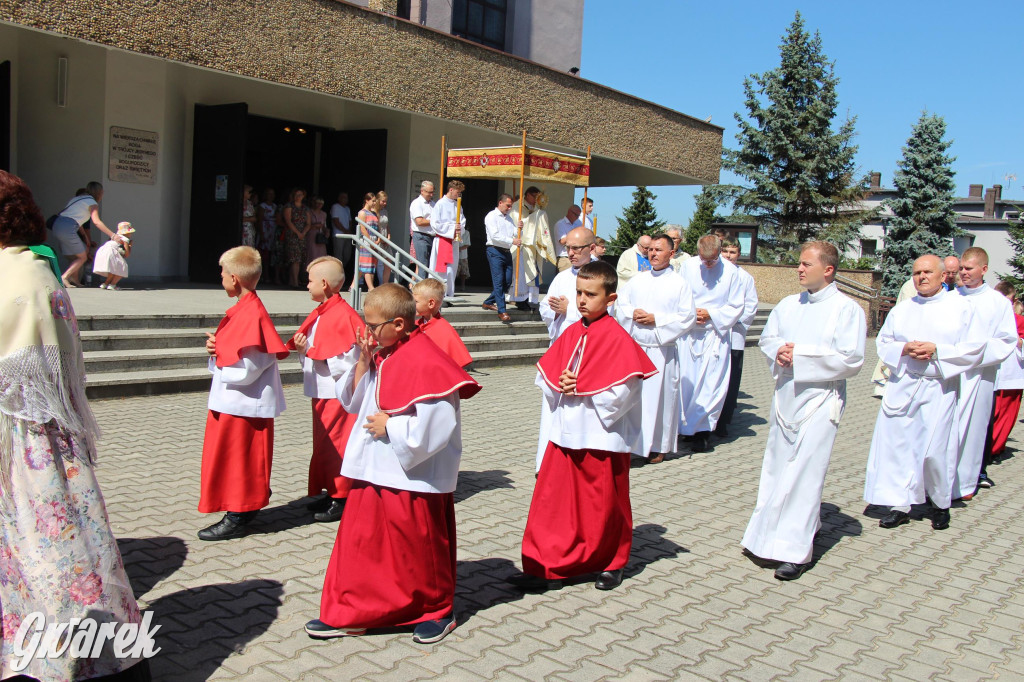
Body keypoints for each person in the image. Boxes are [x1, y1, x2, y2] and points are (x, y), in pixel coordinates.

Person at [0, 170, 151, 681]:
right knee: (73, 541)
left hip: (23, 437)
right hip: (46, 434)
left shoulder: (12, 276)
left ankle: (65, 660)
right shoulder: (34, 268)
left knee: (48, 549)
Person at [306, 284, 480, 644]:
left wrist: (393, 426)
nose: (366, 333)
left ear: (399, 324)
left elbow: (439, 425)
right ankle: (356, 609)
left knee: (417, 548)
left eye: (372, 326)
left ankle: (435, 610)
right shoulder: (382, 351)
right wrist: (363, 361)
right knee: (363, 545)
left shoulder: (428, 359)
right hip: (373, 467)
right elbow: (355, 402)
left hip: (413, 473)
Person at [509, 261, 657, 592]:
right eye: (578, 292)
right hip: (565, 433)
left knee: (604, 505)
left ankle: (609, 563)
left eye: (590, 294)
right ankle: (543, 563)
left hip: (602, 435)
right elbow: (547, 378)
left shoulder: (619, 339)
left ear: (611, 298)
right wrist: (559, 383)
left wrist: (584, 385)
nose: (581, 300)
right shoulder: (572, 332)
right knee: (553, 503)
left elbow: (626, 391)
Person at [741, 242, 866, 581]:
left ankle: (795, 551)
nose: (798, 268)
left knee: (805, 475)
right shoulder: (787, 304)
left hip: (821, 401)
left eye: (805, 264)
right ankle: (763, 538)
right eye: (798, 263)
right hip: (786, 397)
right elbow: (768, 338)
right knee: (776, 469)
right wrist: (779, 350)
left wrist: (802, 355)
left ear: (827, 269)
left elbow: (852, 358)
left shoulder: (847, 309)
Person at [864, 255, 985, 532]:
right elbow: (884, 341)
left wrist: (938, 350)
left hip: (938, 386)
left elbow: (975, 347)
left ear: (943, 276)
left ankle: (940, 504)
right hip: (903, 383)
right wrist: (904, 349)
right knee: (900, 447)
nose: (921, 277)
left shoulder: (961, 307)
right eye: (917, 272)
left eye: (928, 272)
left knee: (934, 450)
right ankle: (900, 504)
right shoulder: (903, 308)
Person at [198, 246, 289, 540]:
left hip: (245, 404)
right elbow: (235, 352)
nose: (220, 277)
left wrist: (220, 356)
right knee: (234, 459)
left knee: (241, 461)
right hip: (236, 402)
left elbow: (251, 365)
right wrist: (217, 349)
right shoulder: (245, 308)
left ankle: (239, 513)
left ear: (235, 278)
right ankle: (242, 507)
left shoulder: (252, 313)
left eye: (222, 272)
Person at [288, 256, 365, 523]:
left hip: (336, 392)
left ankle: (342, 496)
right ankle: (331, 490)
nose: (306, 286)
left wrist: (309, 350)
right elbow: (316, 348)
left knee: (337, 445)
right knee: (323, 445)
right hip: (321, 389)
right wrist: (305, 350)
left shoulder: (343, 314)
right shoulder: (324, 310)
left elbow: (347, 358)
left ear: (324, 283)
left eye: (309, 281)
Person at [615, 233, 696, 464]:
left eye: (658, 250)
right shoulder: (638, 280)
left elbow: (687, 317)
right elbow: (622, 304)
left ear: (671, 253)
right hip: (637, 346)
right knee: (635, 399)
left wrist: (656, 319)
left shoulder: (679, 283)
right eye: (650, 249)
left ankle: (658, 446)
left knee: (659, 401)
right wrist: (633, 314)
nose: (653, 253)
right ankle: (631, 442)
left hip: (662, 350)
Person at [954, 247, 1017, 497]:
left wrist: (974, 354)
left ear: (984, 269)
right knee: (949, 428)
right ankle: (938, 482)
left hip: (980, 375)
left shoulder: (998, 302)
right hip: (952, 372)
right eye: (961, 268)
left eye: (968, 268)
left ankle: (965, 483)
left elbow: (1007, 340)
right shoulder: (951, 297)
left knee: (973, 429)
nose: (963, 273)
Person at [532, 227, 596, 471]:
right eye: (567, 248)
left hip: (584, 355)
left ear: (591, 248)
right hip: (560, 351)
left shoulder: (601, 276)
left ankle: (571, 465)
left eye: (576, 248)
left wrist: (569, 310)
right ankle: (546, 463)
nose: (570, 253)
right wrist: (555, 310)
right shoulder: (562, 277)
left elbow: (605, 315)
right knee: (551, 408)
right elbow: (545, 308)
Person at [677, 234, 745, 452]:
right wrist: (689, 313)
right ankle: (685, 428)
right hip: (689, 333)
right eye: (703, 260)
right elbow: (678, 295)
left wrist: (711, 314)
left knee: (710, 384)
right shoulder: (687, 267)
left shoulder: (732, 273)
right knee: (687, 383)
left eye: (712, 260)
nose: (707, 265)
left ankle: (703, 432)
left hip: (714, 334)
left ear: (719, 252)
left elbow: (736, 306)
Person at [717, 235, 759, 435]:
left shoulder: (745, 278)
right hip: (713, 336)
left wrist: (729, 319)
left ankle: (724, 421)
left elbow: (750, 307)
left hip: (734, 336)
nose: (728, 255)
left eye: (732, 252)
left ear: (738, 255)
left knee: (730, 381)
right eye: (725, 251)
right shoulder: (713, 273)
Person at [52, 181, 123, 288]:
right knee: (82, 257)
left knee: (77, 255)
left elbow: (77, 221)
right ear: (100, 193)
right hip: (68, 227)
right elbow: (97, 222)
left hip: (57, 225)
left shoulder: (77, 199)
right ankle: (64, 277)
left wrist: (85, 238)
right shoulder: (92, 203)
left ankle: (74, 280)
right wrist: (113, 235)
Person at [986, 282, 1024, 469]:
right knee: (995, 413)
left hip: (1010, 375)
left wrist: (1019, 342)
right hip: (995, 372)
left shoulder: (1018, 320)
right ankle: (989, 448)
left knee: (1003, 415)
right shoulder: (992, 317)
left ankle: (994, 448)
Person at [509, 186, 556, 310]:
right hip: (521, 245)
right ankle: (520, 300)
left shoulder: (536, 208)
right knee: (522, 274)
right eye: (534, 196)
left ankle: (530, 299)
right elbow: (516, 223)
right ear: (527, 195)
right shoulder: (516, 207)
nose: (536, 199)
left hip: (533, 245)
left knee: (533, 272)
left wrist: (537, 213)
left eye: (538, 197)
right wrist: (534, 216)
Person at [412, 277, 472, 368]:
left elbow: (454, 366)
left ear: (431, 303)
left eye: (416, 301)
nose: (412, 304)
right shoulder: (414, 325)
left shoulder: (444, 330)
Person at [482, 193, 521, 321]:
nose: (509, 208)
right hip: (494, 250)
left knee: (508, 281)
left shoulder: (509, 218)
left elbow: (515, 233)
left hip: (506, 251)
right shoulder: (491, 216)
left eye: (511, 206)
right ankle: (502, 310)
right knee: (498, 281)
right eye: (508, 205)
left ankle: (488, 301)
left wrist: (520, 228)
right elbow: (495, 236)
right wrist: (512, 241)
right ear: (500, 203)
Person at [430, 180, 465, 299]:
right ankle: (439, 294)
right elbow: (435, 224)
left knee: (451, 269)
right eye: (458, 192)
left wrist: (460, 228)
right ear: (451, 190)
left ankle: (449, 293)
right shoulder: (440, 204)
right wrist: (452, 228)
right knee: (441, 269)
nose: (459, 195)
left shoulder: (458, 205)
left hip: (453, 241)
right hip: (442, 240)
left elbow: (462, 221)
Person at [93, 220, 135, 290]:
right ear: (126, 233)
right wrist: (130, 246)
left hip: (103, 251)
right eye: (130, 232)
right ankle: (113, 284)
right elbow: (127, 254)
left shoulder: (114, 237)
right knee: (122, 267)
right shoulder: (125, 239)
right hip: (111, 251)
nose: (131, 234)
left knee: (113, 268)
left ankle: (105, 283)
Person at [283, 188, 311, 288]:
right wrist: (297, 232)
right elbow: (288, 221)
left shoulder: (306, 208)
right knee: (295, 259)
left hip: (302, 235)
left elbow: (308, 223)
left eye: (300, 195)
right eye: (296, 194)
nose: (298, 197)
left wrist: (303, 233)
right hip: (292, 235)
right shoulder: (289, 206)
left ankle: (293, 280)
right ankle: (294, 282)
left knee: (299, 259)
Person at [409, 181, 435, 279]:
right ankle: (421, 291)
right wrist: (434, 221)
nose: (431, 195)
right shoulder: (417, 203)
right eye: (429, 192)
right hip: (421, 236)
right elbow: (419, 222)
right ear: (422, 191)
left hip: (432, 236)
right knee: (423, 264)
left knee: (431, 265)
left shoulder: (433, 203)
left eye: (432, 192)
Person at [356, 192, 380, 292]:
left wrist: (378, 240)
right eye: (373, 201)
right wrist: (370, 241)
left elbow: (377, 227)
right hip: (366, 241)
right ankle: (371, 288)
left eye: (375, 201)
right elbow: (362, 228)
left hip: (374, 240)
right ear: (367, 200)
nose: (374, 203)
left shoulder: (374, 213)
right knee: (366, 265)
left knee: (367, 265)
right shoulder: (362, 213)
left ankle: (353, 285)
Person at [330, 191, 353, 286]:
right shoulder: (335, 207)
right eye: (343, 197)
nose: (345, 199)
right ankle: (336, 278)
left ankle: (339, 273)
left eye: (346, 197)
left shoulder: (347, 209)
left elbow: (350, 221)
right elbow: (336, 221)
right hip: (338, 235)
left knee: (347, 256)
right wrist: (344, 230)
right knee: (338, 256)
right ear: (339, 198)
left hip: (347, 235)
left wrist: (349, 230)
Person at [257, 188, 279, 282]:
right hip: (265, 230)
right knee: (264, 254)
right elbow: (260, 219)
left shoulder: (275, 206)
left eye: (272, 194)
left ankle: (271, 275)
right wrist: (262, 234)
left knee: (271, 254)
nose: (271, 196)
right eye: (269, 194)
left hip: (273, 231)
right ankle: (265, 276)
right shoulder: (262, 206)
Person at [554, 204, 583, 272]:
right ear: (570, 212)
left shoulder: (579, 223)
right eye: (576, 215)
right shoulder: (560, 224)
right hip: (565, 258)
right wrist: (575, 234)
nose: (577, 217)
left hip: (577, 257)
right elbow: (562, 241)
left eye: (578, 216)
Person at [375, 191, 392, 285]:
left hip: (385, 237)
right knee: (379, 263)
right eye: (383, 201)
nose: (385, 203)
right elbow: (375, 226)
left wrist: (388, 236)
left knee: (388, 261)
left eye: (386, 201)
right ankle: (381, 283)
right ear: (378, 200)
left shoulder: (385, 211)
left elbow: (386, 225)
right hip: (378, 238)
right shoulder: (374, 211)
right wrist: (380, 238)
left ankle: (385, 283)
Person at [306, 195, 329, 263]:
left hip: (320, 236)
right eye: (318, 203)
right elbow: (305, 225)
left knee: (321, 255)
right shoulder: (309, 212)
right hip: (311, 235)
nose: (319, 205)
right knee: (312, 254)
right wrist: (315, 226)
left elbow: (324, 226)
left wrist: (326, 231)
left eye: (321, 203)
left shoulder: (324, 214)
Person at [457, 219, 471, 290]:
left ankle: (463, 286)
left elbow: (467, 244)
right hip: (454, 254)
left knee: (463, 271)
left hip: (463, 255)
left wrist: (459, 249)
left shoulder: (466, 233)